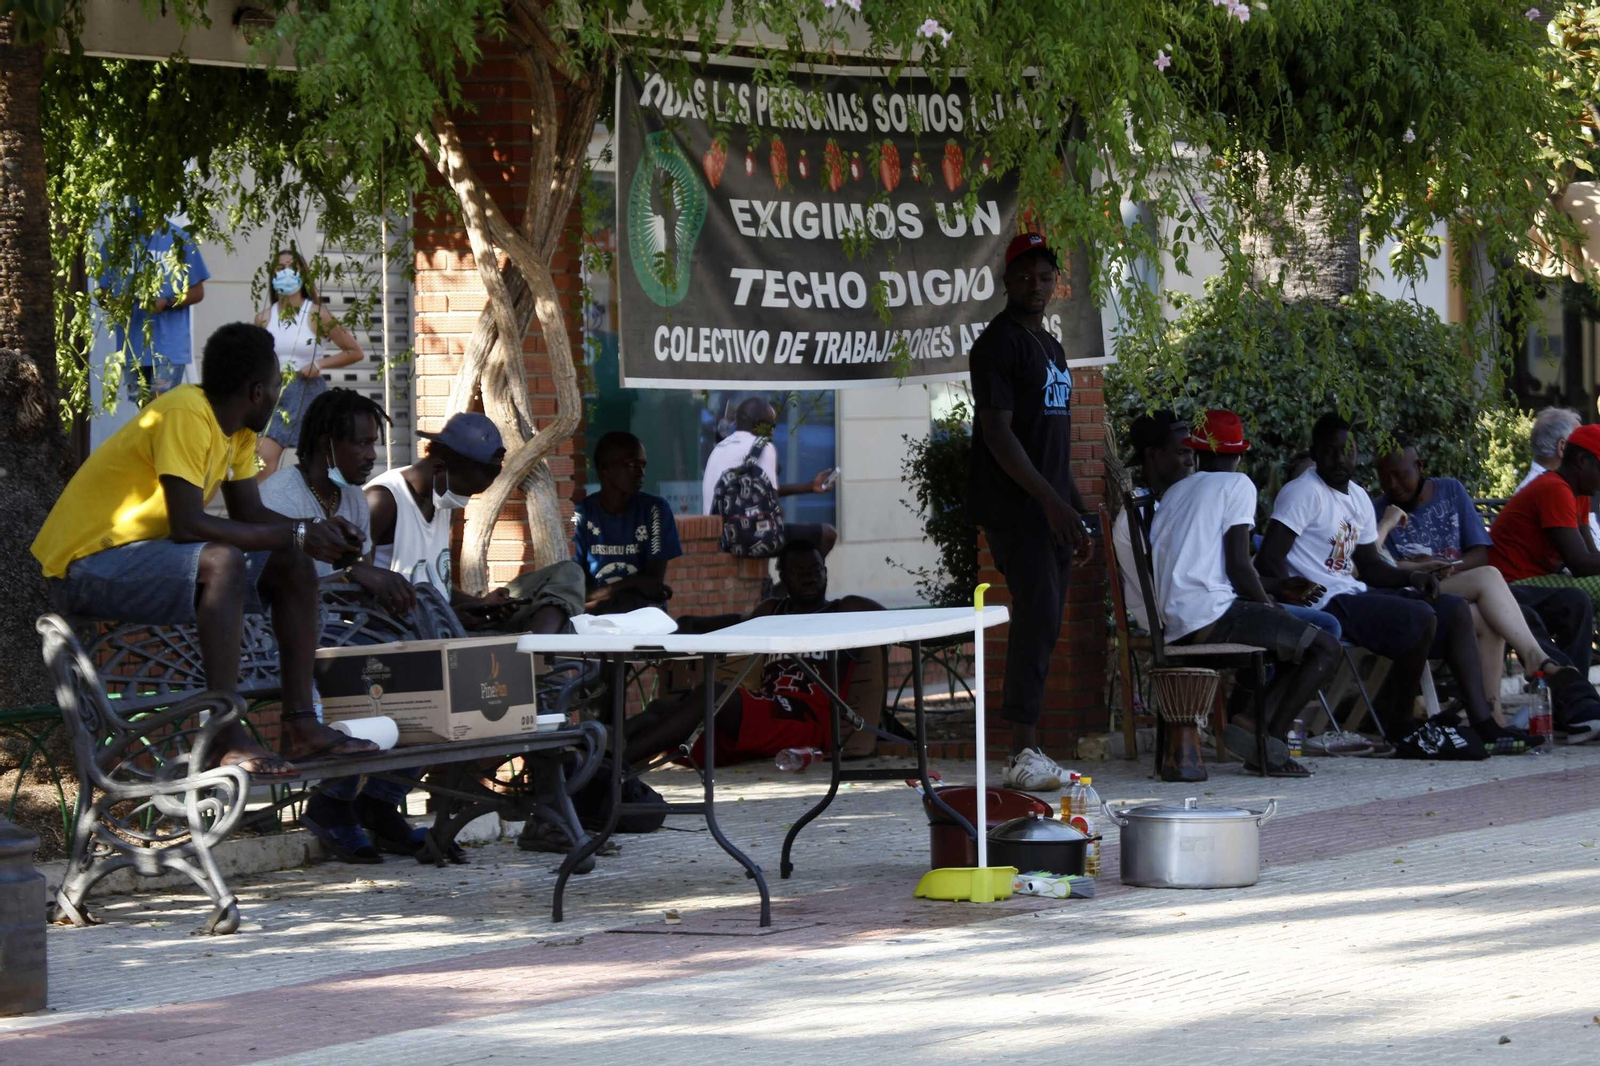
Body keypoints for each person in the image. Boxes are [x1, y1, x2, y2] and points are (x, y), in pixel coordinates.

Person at [31, 322, 379, 775]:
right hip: (84, 565)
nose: (279, 399)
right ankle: (224, 733)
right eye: (277, 387)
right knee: (221, 560)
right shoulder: (185, 414)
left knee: (291, 563)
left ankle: (301, 726)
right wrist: (297, 532)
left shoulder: (239, 432)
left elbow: (251, 513)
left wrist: (316, 531)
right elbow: (187, 524)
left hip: (142, 561)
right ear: (256, 391)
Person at [1256, 414, 1511, 752]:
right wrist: (1288, 589)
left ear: (1356, 453)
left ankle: (1483, 723)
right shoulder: (1302, 493)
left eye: (1346, 451)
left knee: (1453, 609)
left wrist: (1414, 576)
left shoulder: (1358, 497)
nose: (1339, 458)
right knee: (1420, 617)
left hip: (1351, 593)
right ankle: (1400, 723)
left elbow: (1371, 566)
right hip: (1322, 602)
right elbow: (1268, 561)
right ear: (1315, 453)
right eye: (1329, 451)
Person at [968, 231, 1093, 791]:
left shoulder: (1052, 346)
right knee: (1035, 618)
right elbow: (998, 434)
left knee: (1044, 624)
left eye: (1045, 276)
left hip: (1050, 510)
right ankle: (1018, 752)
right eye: (1024, 276)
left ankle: (1029, 748)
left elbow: (1054, 444)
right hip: (1017, 511)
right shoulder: (997, 344)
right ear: (1006, 281)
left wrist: (1077, 510)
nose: (1035, 285)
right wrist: (1049, 504)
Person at [1148, 410, 1340, 775]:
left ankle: (1253, 721)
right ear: (1239, 454)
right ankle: (1272, 744)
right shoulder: (1238, 485)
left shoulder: (1177, 491)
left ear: (1197, 452)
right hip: (1212, 616)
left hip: (1180, 619)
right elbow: (1238, 566)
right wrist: (1271, 606)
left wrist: (1277, 588)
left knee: (1295, 648)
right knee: (1325, 647)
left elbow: (1211, 568)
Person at [1372, 439, 1582, 739]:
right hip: (1410, 595)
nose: (1393, 484)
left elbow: (1480, 553)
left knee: (1488, 615)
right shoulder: (1378, 510)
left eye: (1400, 474)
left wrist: (1447, 567)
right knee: (1488, 577)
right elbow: (1376, 566)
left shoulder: (1450, 490)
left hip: (1453, 589)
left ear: (1419, 466)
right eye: (1385, 477)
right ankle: (1534, 658)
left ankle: (1490, 718)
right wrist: (1416, 566)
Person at [620, 540, 885, 767]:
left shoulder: (846, 609)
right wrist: (685, 624)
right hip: (767, 707)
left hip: (808, 720)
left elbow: (904, 625)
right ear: (784, 577)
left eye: (816, 569)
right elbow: (733, 623)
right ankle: (602, 757)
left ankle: (614, 768)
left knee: (711, 694)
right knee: (661, 708)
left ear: (826, 572)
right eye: (799, 571)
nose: (810, 577)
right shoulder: (772, 611)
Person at [366, 412, 584, 633]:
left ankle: (537, 649)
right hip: (409, 633)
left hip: (448, 621)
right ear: (439, 468)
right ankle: (536, 655)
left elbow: (438, 585)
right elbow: (358, 591)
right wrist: (449, 619)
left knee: (566, 574)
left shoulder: (441, 499)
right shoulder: (383, 500)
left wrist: (480, 604)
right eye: (465, 492)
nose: (463, 502)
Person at [259, 388, 415, 614]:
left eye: (373, 444)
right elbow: (275, 596)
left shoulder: (355, 497)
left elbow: (362, 577)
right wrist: (349, 576)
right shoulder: (278, 498)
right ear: (326, 446)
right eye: (362, 443)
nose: (372, 455)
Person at [1488, 421, 1600, 663]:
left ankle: (1573, 684)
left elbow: (1591, 558)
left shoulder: (1577, 494)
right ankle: (1574, 689)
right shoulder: (1554, 489)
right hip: (1508, 586)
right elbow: (1582, 565)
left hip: (1535, 582)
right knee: (1582, 597)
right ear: (1582, 461)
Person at [254, 249, 367, 478]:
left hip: (308, 391)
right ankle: (260, 510)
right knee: (262, 460)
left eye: (292, 267)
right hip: (276, 393)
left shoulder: (317, 314)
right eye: (280, 267)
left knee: (317, 461)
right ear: (273, 274)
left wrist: (320, 365)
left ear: (303, 274)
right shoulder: (264, 317)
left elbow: (354, 352)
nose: (286, 272)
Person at [701, 396, 837, 554]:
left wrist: (809, 486)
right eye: (771, 426)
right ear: (759, 424)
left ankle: (786, 575)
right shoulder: (763, 447)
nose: (772, 431)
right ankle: (793, 577)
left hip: (717, 535)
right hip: (740, 536)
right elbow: (772, 500)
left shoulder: (720, 447)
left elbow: (761, 491)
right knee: (827, 533)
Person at [99, 218, 209, 404]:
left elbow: (197, 291)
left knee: (160, 408)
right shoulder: (117, 241)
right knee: (143, 411)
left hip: (169, 348)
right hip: (132, 347)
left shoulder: (180, 239)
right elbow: (101, 294)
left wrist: (167, 302)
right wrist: (116, 302)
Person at [574, 432, 684, 615]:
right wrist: (635, 582)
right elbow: (577, 593)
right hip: (595, 619)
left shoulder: (655, 510)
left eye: (643, 465)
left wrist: (603, 593)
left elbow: (653, 582)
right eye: (631, 465)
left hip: (643, 615)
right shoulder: (580, 515)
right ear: (604, 469)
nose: (641, 473)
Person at [1514, 407, 1600, 547]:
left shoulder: (1578, 488)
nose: (1586, 439)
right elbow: (1579, 560)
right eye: (1579, 439)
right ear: (1563, 448)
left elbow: (1589, 552)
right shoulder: (1551, 488)